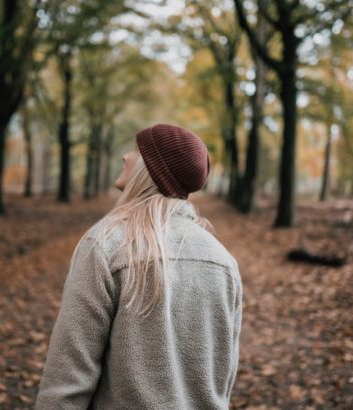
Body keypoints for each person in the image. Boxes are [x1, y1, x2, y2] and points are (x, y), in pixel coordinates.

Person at [35, 123, 243, 409]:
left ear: (152, 168)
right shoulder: (222, 261)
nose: (125, 157)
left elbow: (68, 376)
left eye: (136, 150)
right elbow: (223, 376)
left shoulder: (106, 244)